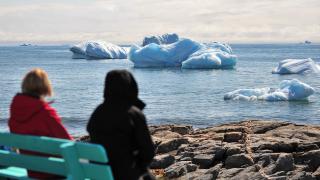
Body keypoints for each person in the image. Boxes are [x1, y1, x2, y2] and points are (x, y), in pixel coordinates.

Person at [87, 70, 155, 180]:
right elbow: (148, 151)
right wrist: (141, 167)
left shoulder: (98, 112)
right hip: (126, 174)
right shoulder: (133, 113)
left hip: (99, 174)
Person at [8, 68, 73, 179]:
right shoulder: (45, 112)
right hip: (52, 172)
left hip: (32, 169)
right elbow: (68, 142)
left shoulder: (15, 111)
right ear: (45, 86)